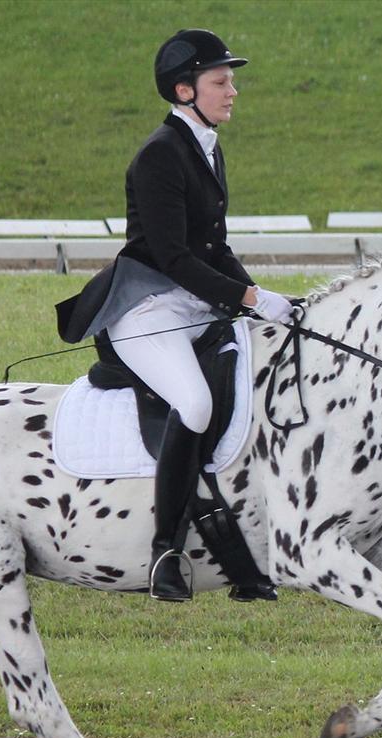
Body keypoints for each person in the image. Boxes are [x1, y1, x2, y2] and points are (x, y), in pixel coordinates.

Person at [56, 28, 295, 602]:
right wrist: (249, 300)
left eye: (231, 81)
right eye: (221, 82)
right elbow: (172, 256)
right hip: (145, 307)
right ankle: (165, 547)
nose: (232, 91)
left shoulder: (208, 146)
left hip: (190, 299)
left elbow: (215, 248)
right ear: (185, 90)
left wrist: (265, 298)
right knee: (194, 402)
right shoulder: (160, 155)